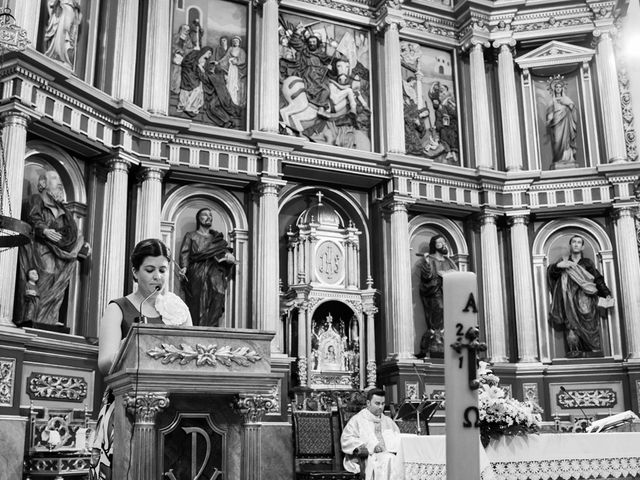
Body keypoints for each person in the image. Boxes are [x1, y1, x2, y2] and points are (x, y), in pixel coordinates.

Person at [91, 239, 191, 479]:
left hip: (170, 408)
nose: (157, 276)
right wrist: (133, 342)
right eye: (150, 270)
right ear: (135, 272)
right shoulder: (118, 308)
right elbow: (105, 362)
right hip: (126, 408)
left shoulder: (177, 310)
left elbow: (189, 355)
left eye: (162, 270)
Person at [18, 170, 90, 326]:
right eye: (54, 178)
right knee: (47, 274)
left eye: (59, 179)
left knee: (60, 284)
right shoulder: (36, 200)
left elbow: (71, 232)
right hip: (42, 248)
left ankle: (50, 318)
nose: (59, 182)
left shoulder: (63, 210)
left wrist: (81, 244)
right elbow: (33, 217)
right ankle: (35, 317)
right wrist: (44, 230)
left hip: (61, 256)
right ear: (43, 183)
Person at [548, 234, 613, 357]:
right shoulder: (564, 261)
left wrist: (606, 293)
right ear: (570, 245)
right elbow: (552, 274)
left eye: (579, 242)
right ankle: (575, 350)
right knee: (571, 325)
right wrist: (557, 266)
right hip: (569, 299)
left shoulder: (587, 262)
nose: (576, 244)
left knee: (590, 324)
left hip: (586, 298)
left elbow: (597, 279)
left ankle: (593, 349)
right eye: (574, 242)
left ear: (582, 247)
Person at [179, 208, 236, 326]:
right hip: (197, 270)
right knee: (198, 300)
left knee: (218, 294)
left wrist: (229, 256)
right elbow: (185, 252)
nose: (209, 217)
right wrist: (184, 267)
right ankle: (198, 328)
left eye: (210, 215)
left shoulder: (216, 238)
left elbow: (224, 251)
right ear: (198, 219)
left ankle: (212, 327)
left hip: (215, 269)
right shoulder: (191, 235)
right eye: (205, 215)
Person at [340, 388, 403, 480]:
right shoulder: (357, 419)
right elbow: (347, 439)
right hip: (366, 458)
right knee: (389, 460)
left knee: (397, 461)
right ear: (368, 403)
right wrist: (371, 446)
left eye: (383, 404)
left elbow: (398, 439)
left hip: (388, 456)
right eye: (377, 403)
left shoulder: (388, 421)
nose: (381, 407)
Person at [416, 235, 458, 358]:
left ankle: (445, 337)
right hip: (435, 291)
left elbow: (456, 274)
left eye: (444, 242)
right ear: (434, 245)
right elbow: (427, 277)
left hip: (448, 291)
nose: (443, 244)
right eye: (440, 242)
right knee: (439, 308)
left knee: (450, 313)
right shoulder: (430, 259)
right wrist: (428, 263)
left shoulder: (449, 261)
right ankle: (436, 338)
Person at [545, 75, 577, 168]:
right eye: (556, 87)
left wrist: (567, 104)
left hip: (566, 123)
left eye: (560, 87)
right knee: (557, 140)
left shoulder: (566, 99)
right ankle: (559, 158)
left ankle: (567, 158)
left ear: (562, 88)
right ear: (554, 89)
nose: (558, 89)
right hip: (556, 123)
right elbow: (550, 113)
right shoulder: (552, 101)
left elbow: (572, 108)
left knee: (566, 140)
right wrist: (549, 119)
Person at [43, 0, 82, 68]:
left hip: (70, 9)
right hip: (62, 8)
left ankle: (64, 57)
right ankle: (57, 55)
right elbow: (51, 3)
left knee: (67, 31)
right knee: (62, 29)